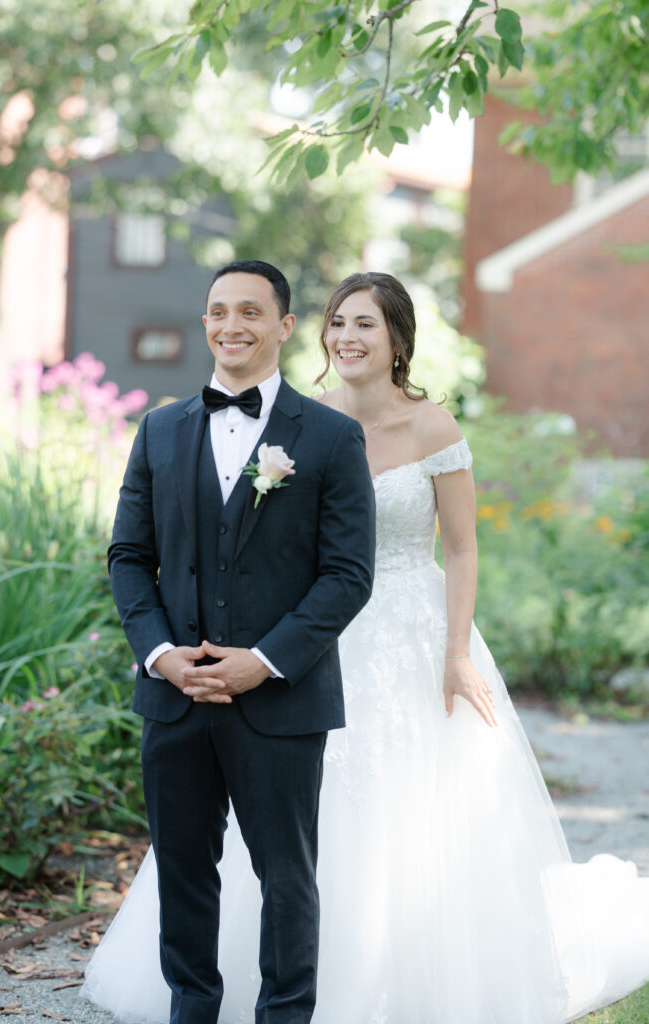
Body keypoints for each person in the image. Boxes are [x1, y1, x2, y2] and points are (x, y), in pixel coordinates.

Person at [83, 272, 649, 1024]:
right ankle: (211, 993)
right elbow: (213, 551)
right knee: (249, 843)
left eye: (366, 326)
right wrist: (195, 649)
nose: (347, 338)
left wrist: (453, 652)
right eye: (338, 323)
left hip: (392, 633)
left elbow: (459, 548)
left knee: (366, 827)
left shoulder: (425, 428)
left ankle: (374, 983)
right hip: (286, 643)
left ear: (396, 340)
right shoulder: (283, 423)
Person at [99, 259, 376, 1024]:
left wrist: (266, 660)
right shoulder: (159, 430)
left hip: (281, 701)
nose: (231, 326)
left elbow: (348, 576)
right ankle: (192, 1007)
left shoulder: (330, 438)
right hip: (174, 696)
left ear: (284, 327)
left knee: (287, 876)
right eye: (218, 311)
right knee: (184, 871)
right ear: (204, 323)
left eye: (250, 312)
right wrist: (160, 655)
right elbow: (128, 556)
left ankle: (285, 1014)